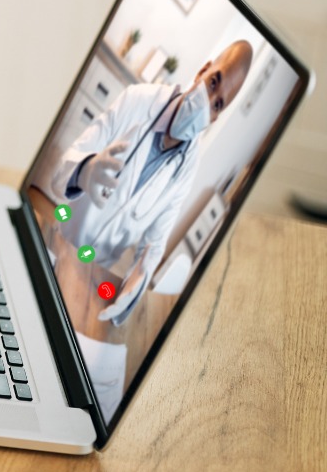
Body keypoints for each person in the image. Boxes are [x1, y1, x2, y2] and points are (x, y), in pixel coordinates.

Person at [45, 40, 252, 325]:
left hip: (95, 272)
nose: (209, 100)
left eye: (217, 104)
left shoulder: (187, 167)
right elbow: (60, 171)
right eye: (214, 81)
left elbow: (154, 244)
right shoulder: (138, 100)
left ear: (216, 117)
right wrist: (83, 171)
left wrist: (140, 278)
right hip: (61, 242)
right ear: (203, 70)